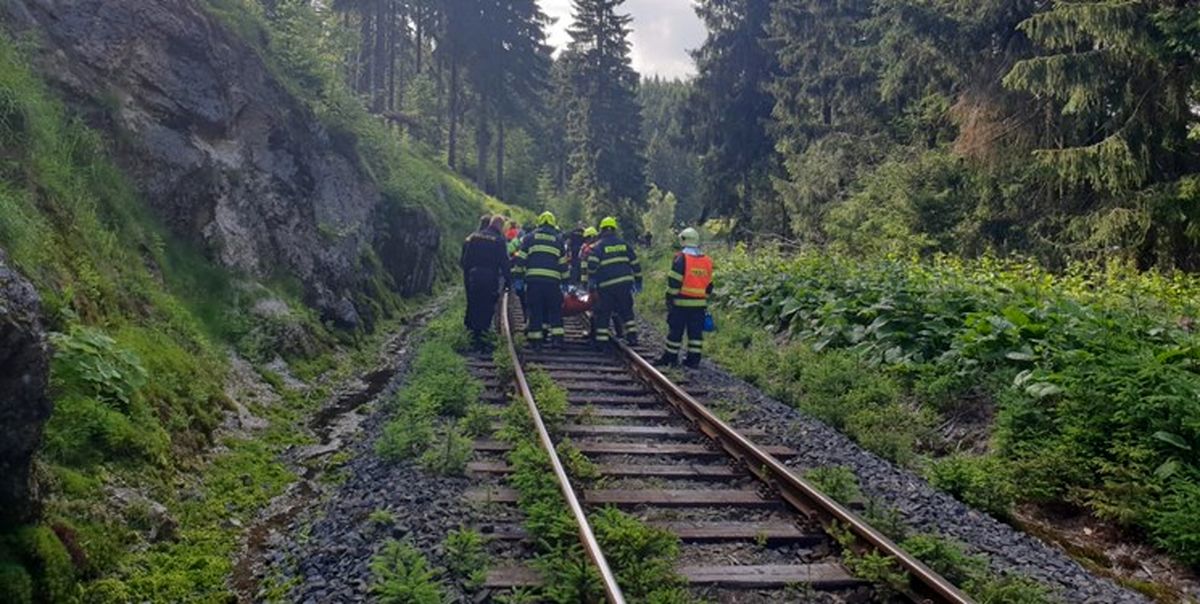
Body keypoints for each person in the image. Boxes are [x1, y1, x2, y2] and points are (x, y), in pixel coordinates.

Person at [657, 228, 713, 368]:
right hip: (699, 306)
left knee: (675, 332)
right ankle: (693, 361)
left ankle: (670, 358)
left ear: (683, 240)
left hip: (681, 304)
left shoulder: (681, 258)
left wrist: (670, 299)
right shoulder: (706, 260)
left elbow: (674, 282)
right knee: (695, 335)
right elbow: (709, 285)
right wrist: (702, 298)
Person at [514, 212, 568, 349]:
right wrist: (566, 283)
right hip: (553, 283)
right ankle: (557, 340)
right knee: (555, 310)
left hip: (534, 282)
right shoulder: (558, 240)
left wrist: (518, 279)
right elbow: (563, 264)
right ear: (552, 224)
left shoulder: (529, 238)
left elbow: (520, 261)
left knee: (535, 310)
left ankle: (536, 342)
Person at [587, 216, 642, 347]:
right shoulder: (624, 244)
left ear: (601, 230)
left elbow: (592, 266)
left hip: (607, 286)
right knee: (627, 311)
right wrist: (638, 281)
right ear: (614, 230)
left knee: (603, 313)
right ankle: (632, 337)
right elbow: (635, 263)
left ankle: (601, 343)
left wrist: (592, 282)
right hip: (625, 284)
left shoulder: (598, 247)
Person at [460, 215, 510, 351]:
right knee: (487, 307)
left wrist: (467, 277)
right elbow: (504, 263)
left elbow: (466, 260)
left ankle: (471, 336)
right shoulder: (499, 240)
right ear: (499, 226)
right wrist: (508, 282)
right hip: (489, 277)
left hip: (474, 275)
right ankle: (482, 338)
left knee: (474, 304)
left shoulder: (474, 237)